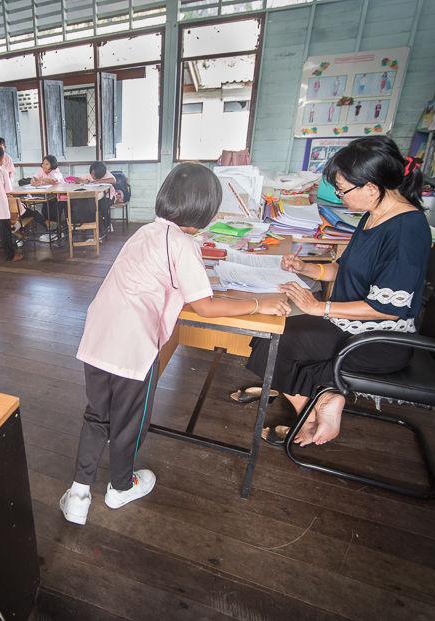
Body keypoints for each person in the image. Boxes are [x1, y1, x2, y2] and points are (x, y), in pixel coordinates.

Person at [59, 163, 291, 526]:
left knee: (97, 415)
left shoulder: (145, 232)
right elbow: (206, 306)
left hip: (97, 334)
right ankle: (120, 488)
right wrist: (259, 304)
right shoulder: (183, 245)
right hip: (134, 345)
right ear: (206, 212)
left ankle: (78, 496)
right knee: (128, 423)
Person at [245, 136, 431, 447]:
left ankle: (317, 411)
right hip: (350, 324)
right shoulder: (375, 214)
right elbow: (344, 269)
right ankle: (319, 408)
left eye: (342, 190)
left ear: (371, 188)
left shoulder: (405, 233)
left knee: (276, 343)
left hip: (379, 338)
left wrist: (320, 308)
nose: (339, 196)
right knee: (270, 335)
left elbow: (387, 308)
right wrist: (307, 269)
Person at [62, 160, 117, 242]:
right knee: (92, 205)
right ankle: (91, 224)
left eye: (94, 175)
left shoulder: (106, 174)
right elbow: (76, 179)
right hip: (96, 197)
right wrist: (83, 181)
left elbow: (113, 181)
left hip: (109, 196)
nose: (92, 176)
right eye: (91, 174)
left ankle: (107, 224)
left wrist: (99, 181)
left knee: (101, 206)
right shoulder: (89, 176)